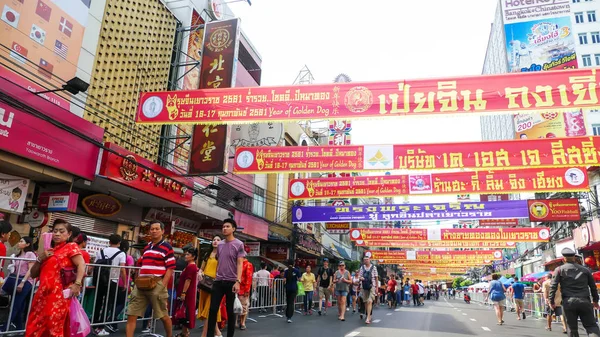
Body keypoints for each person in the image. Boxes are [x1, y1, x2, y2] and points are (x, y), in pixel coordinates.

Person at [25, 219, 86, 337]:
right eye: (55, 231)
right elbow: (33, 274)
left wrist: (77, 283)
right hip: (42, 295)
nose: (57, 234)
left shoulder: (71, 246)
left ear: (69, 234)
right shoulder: (49, 251)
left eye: (61, 231)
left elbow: (81, 264)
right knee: (35, 324)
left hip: (58, 295)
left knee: (53, 326)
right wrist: (40, 259)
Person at [125, 221, 176, 337]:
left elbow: (170, 268)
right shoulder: (147, 247)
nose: (154, 231)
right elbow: (141, 263)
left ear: (163, 231)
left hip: (157, 283)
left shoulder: (167, 247)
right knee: (131, 314)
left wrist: (162, 285)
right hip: (141, 284)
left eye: (157, 229)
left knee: (163, 315)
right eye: (152, 229)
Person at [206, 219, 246, 337]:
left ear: (233, 229)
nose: (224, 228)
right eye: (223, 227)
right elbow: (219, 260)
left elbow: (240, 263)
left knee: (230, 311)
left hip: (231, 282)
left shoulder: (239, 244)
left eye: (227, 226)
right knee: (213, 309)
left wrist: (238, 281)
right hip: (218, 281)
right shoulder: (220, 244)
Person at [550, 247, 600, 337]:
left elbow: (553, 286)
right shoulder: (585, 270)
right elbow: (593, 287)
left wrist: (551, 301)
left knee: (572, 329)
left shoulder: (559, 270)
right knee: (591, 326)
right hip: (585, 301)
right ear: (574, 257)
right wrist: (595, 301)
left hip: (568, 302)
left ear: (564, 258)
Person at [93, 234, 126, 336]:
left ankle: (94, 325)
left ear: (109, 241)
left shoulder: (101, 251)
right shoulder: (121, 253)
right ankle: (101, 327)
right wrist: (124, 283)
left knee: (98, 301)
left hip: (100, 280)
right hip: (113, 280)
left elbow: (94, 265)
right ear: (119, 242)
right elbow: (122, 270)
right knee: (108, 303)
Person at [1, 236, 36, 330]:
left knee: (15, 305)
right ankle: (20, 328)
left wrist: (23, 282)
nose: (19, 243)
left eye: (21, 241)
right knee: (18, 306)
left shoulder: (30, 254)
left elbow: (30, 270)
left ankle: (4, 329)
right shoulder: (18, 255)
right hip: (16, 280)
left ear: (28, 244)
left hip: (26, 281)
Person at [198, 235, 223, 337]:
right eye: (214, 240)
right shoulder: (207, 254)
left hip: (216, 284)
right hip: (205, 284)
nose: (215, 241)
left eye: (218, 240)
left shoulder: (222, 255)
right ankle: (218, 332)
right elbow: (201, 268)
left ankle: (204, 335)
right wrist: (200, 273)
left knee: (210, 309)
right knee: (210, 309)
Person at [173, 247, 198, 337]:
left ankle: (185, 333)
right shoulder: (189, 266)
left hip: (187, 293)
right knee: (184, 312)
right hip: (186, 292)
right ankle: (184, 332)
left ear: (193, 257)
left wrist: (183, 293)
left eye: (188, 254)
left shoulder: (191, 267)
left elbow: (188, 280)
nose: (186, 256)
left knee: (185, 312)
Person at [238, 246, 254, 330]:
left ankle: (242, 322)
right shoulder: (236, 263)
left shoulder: (248, 265)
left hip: (243, 288)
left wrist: (247, 290)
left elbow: (249, 278)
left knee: (243, 306)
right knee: (235, 306)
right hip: (235, 288)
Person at [358, 255, 378, 324]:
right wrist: (361, 278)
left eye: (367, 259)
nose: (366, 261)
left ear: (369, 260)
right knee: (366, 301)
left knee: (370, 301)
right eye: (364, 260)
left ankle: (368, 317)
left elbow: (376, 277)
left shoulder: (373, 267)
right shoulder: (362, 268)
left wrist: (377, 288)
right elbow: (359, 276)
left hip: (372, 286)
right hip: (364, 286)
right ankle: (368, 314)